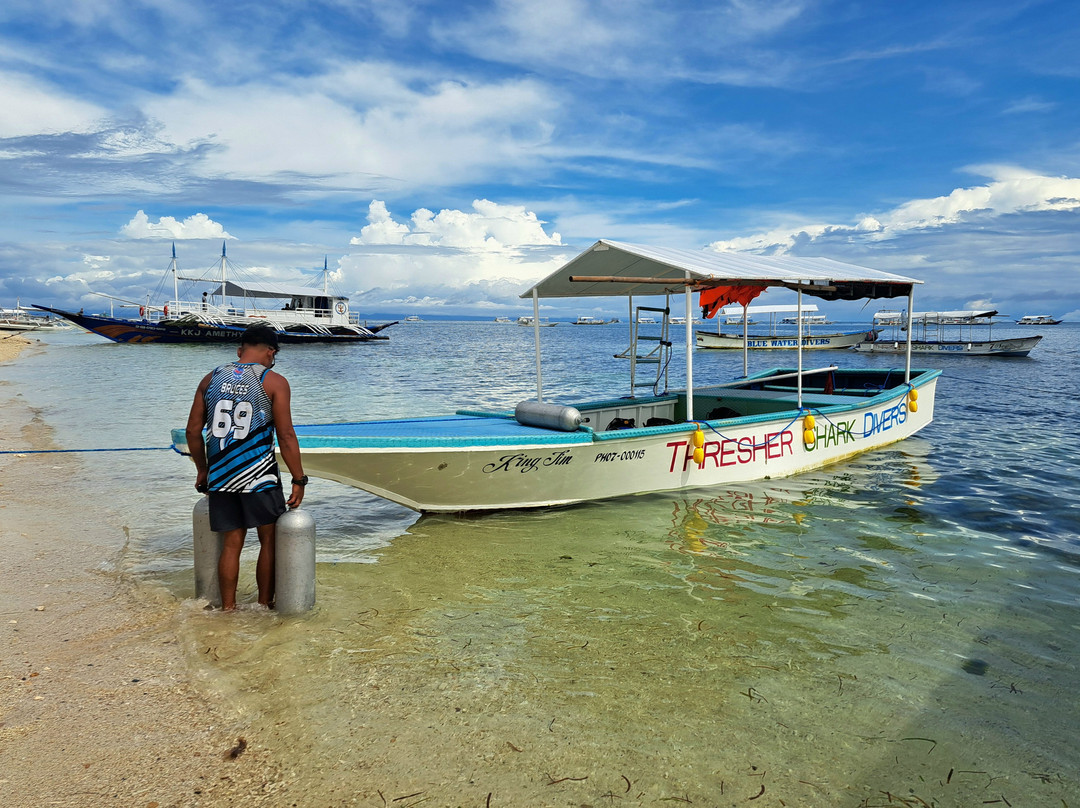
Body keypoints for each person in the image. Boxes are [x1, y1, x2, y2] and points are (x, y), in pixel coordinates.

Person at [184, 324, 307, 610]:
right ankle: (264, 606)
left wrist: (203, 470)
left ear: (240, 350)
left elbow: (193, 431)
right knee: (268, 541)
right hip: (259, 477)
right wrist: (299, 479)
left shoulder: (210, 378)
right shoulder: (273, 381)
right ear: (270, 352)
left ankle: (228, 609)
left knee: (231, 543)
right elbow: (286, 436)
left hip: (221, 476)